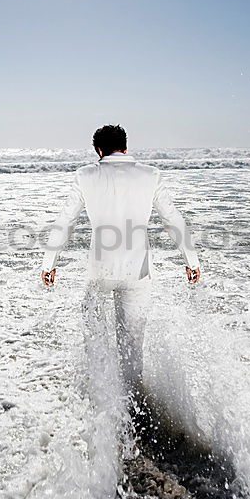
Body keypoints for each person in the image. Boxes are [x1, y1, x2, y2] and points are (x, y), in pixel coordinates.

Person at [40, 124, 200, 411]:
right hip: (138, 274)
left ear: (99, 151)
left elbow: (65, 221)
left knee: (96, 342)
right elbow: (172, 219)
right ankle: (134, 409)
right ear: (125, 147)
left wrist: (49, 263)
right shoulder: (150, 175)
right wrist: (191, 260)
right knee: (132, 347)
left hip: (100, 273)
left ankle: (101, 407)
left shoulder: (86, 175)